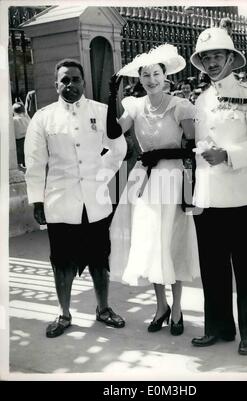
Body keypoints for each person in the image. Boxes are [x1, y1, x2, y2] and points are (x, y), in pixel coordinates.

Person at [190, 26, 247, 355]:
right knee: (212, 269)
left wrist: (228, 155)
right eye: (206, 58)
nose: (211, 63)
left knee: (245, 269)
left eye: (217, 56)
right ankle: (218, 326)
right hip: (208, 198)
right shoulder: (200, 99)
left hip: (243, 196)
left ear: (230, 59)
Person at [24, 58, 127, 338]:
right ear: (55, 84)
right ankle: (64, 313)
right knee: (62, 261)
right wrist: (37, 200)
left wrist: (101, 174)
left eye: (75, 79)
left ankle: (103, 308)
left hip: (95, 201)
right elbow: (34, 163)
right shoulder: (43, 118)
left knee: (99, 258)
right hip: (61, 203)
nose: (70, 85)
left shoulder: (101, 111)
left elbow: (119, 148)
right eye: (64, 80)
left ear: (83, 82)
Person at [106, 44, 200, 336]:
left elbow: (191, 149)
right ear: (140, 78)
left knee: (173, 243)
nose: (151, 80)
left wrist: (160, 154)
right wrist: (112, 97)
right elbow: (113, 132)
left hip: (173, 180)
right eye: (145, 75)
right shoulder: (135, 106)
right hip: (145, 182)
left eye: (156, 74)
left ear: (165, 75)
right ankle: (160, 306)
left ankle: (178, 309)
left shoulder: (180, 106)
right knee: (151, 244)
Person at [12, 102, 31, 167]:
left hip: (19, 141)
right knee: (26, 154)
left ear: (14, 112)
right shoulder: (27, 118)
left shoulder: (13, 120)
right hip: (27, 139)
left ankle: (21, 165)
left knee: (20, 154)